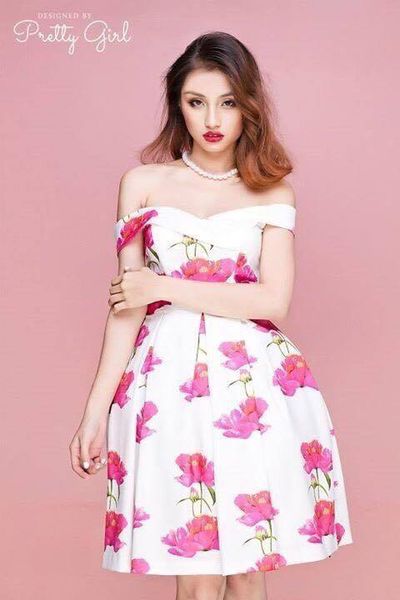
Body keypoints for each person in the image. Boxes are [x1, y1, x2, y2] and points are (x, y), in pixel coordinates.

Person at [69, 31, 353, 600]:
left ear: (248, 106)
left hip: (253, 388)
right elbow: (126, 311)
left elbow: (273, 301)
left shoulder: (273, 192)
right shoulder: (141, 185)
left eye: (227, 102)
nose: (213, 120)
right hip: (165, 384)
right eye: (196, 102)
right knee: (196, 574)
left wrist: (160, 285)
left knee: (248, 567)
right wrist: (93, 412)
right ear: (178, 105)